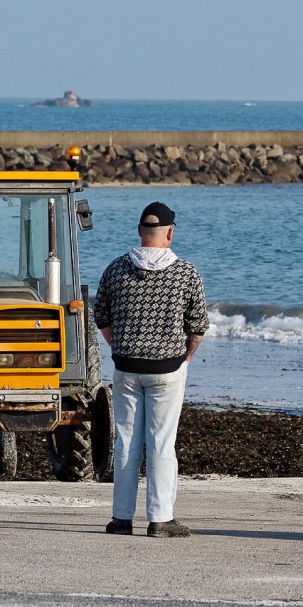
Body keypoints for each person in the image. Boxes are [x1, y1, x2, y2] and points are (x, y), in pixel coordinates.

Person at [93, 201, 208, 538]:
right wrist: (186, 356)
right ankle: (160, 518)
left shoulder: (116, 269)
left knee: (126, 441)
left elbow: (101, 315)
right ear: (169, 233)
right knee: (160, 442)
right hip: (167, 368)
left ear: (140, 232)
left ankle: (121, 518)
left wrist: (120, 346)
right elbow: (198, 324)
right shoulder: (185, 272)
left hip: (126, 366)